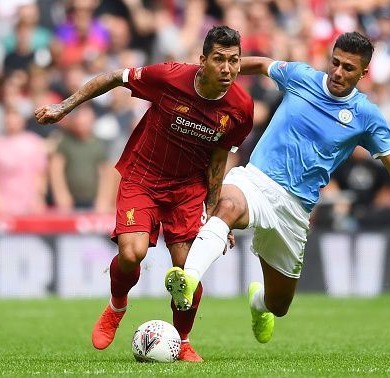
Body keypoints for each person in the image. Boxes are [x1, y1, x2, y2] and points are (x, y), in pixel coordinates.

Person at [165, 32, 390, 344]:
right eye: (335, 62)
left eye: (348, 68)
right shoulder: (301, 76)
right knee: (227, 206)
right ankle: (188, 278)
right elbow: (264, 64)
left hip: (295, 208)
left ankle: (259, 304)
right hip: (255, 179)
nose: (337, 72)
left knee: (279, 305)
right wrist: (220, 70)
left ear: (363, 73)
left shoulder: (366, 115)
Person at [35, 25, 253, 362]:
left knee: (187, 270)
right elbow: (112, 78)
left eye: (234, 61)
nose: (227, 69)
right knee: (132, 253)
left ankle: (182, 341)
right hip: (143, 177)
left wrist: (215, 216)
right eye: (219, 59)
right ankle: (116, 306)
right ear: (203, 60)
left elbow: (219, 158)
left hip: (188, 189)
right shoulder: (169, 77)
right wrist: (65, 106)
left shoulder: (241, 107)